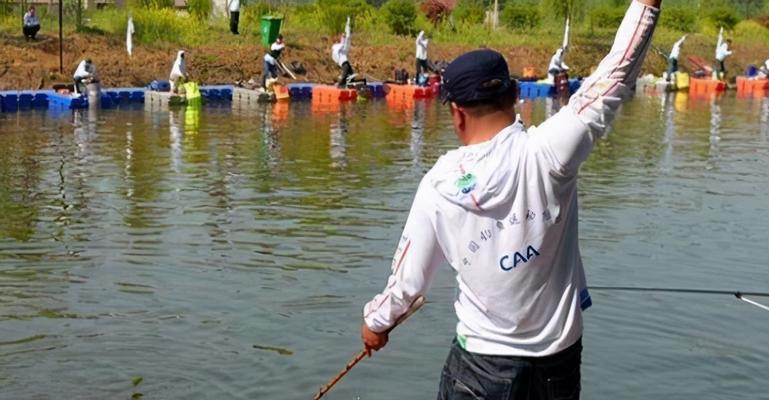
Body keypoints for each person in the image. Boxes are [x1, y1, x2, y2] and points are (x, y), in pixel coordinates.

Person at [360, 1, 661, 399]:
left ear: (456, 113)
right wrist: (646, 5)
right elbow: (615, 75)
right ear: (516, 94)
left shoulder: (438, 185)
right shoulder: (550, 153)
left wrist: (377, 323)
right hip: (558, 368)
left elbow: (409, 285)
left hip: (480, 371)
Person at [332, 17, 354, 88]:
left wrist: (348, 24)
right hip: (345, 64)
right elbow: (344, 40)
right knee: (345, 75)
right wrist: (348, 23)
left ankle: (349, 85)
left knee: (351, 75)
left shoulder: (341, 49)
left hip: (345, 63)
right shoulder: (337, 48)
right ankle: (339, 85)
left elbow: (344, 40)